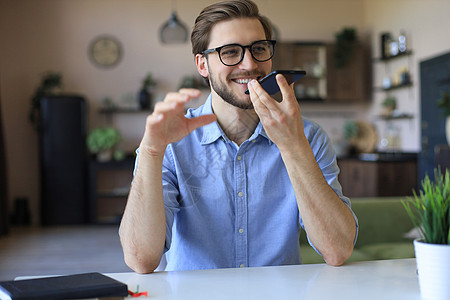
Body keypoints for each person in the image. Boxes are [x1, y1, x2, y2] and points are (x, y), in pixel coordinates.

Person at [119, 0, 358, 273]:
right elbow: (141, 260)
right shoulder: (170, 143)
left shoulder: (308, 137)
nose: (249, 64)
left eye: (259, 49)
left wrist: (293, 146)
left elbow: (338, 250)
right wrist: (151, 151)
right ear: (202, 65)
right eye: (230, 52)